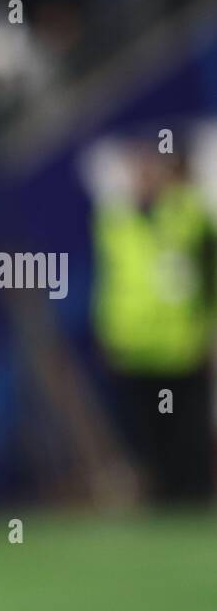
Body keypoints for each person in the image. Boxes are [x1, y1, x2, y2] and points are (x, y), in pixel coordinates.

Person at [92, 142, 217, 504]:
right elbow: (112, 284)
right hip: (134, 348)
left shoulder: (188, 215)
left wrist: (206, 333)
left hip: (180, 347)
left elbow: (207, 278)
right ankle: (158, 496)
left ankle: (193, 497)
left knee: (186, 428)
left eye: (150, 171)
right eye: (138, 172)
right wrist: (109, 333)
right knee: (146, 433)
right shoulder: (115, 223)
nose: (143, 179)